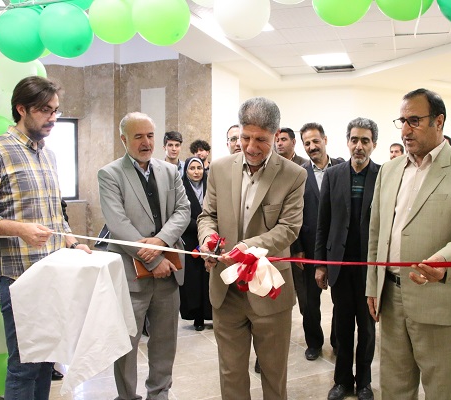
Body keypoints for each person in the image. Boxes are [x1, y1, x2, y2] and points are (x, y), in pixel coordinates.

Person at [0, 76, 91, 400]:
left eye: (56, 111)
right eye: (45, 110)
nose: (53, 118)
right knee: (24, 365)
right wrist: (19, 229)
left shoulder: (49, 155)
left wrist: (72, 242)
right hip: (16, 277)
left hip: (52, 274)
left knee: (45, 362)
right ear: (21, 109)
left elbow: (56, 214)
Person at [366, 88, 451, 399]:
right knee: (394, 388)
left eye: (414, 120)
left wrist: (444, 260)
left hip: (439, 296)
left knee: (442, 390)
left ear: (439, 121)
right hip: (391, 298)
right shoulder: (389, 170)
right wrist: (373, 284)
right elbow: (377, 232)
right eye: (402, 121)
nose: (405, 130)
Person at [197, 97, 307, 400]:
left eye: (261, 139)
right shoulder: (219, 169)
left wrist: (247, 247)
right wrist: (208, 239)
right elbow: (207, 216)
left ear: (276, 135)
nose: (251, 147)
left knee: (273, 374)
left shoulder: (294, 175)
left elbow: (289, 229)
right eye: (245, 137)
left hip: (268, 290)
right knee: (231, 374)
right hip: (226, 291)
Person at [98, 112, 190, 400]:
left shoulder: (170, 171)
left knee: (165, 340)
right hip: (130, 276)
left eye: (150, 135)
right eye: (138, 136)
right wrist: (153, 259)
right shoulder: (110, 174)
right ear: (124, 139)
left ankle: (159, 392)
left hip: (169, 274)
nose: (146, 142)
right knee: (126, 342)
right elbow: (118, 224)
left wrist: (161, 242)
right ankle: (127, 396)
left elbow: (183, 210)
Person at [314, 118, 378, 400]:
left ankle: (364, 382)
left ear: (373, 144)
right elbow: (323, 223)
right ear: (347, 142)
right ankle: (341, 381)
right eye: (354, 140)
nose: (359, 146)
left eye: (365, 140)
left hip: (369, 267)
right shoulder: (333, 175)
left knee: (367, 328)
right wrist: (320, 264)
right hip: (339, 265)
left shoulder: (383, 175)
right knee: (342, 326)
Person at [291, 122, 342, 362]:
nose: (312, 146)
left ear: (325, 140)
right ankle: (314, 343)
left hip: (339, 247)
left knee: (340, 300)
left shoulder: (342, 168)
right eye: (307, 143)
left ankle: (338, 341)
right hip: (309, 248)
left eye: (315, 141)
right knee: (310, 303)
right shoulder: (299, 175)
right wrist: (297, 248)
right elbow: (292, 214)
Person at [179, 156, 212, 331]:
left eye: (199, 168)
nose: (196, 172)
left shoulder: (210, 186)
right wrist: (202, 225)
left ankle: (211, 314)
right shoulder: (181, 188)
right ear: (186, 171)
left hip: (210, 239)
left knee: (210, 278)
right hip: (190, 239)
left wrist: (208, 227)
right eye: (192, 168)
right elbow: (179, 213)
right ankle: (197, 316)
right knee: (194, 280)